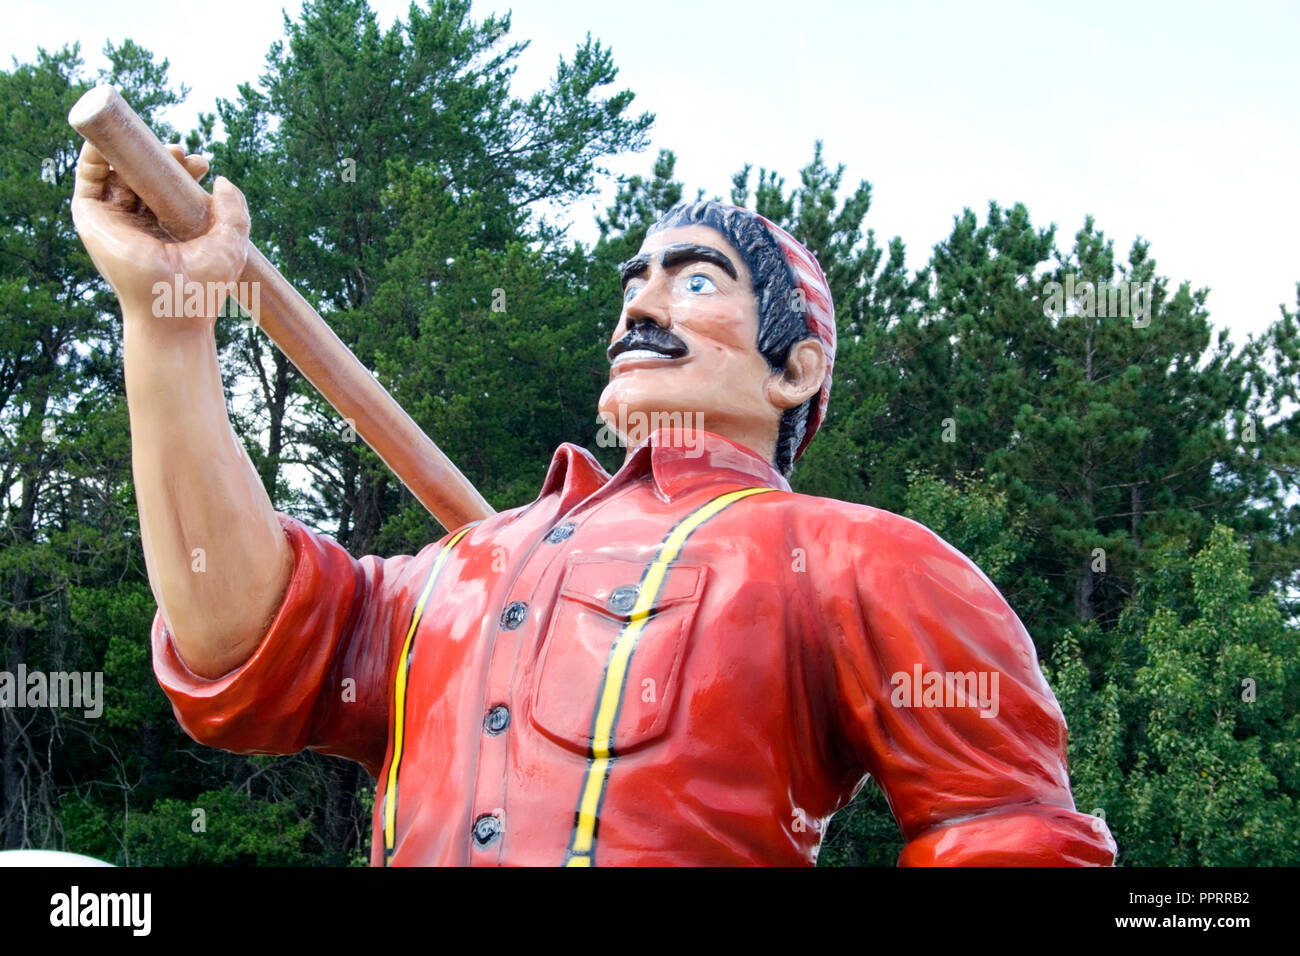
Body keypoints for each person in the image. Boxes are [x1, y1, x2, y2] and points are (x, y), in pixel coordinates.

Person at [72, 142, 1117, 866]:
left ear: (795, 368)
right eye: (634, 281)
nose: (639, 304)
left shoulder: (861, 559)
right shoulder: (459, 569)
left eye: (694, 281)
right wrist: (165, 321)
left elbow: (1007, 833)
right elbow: (237, 642)